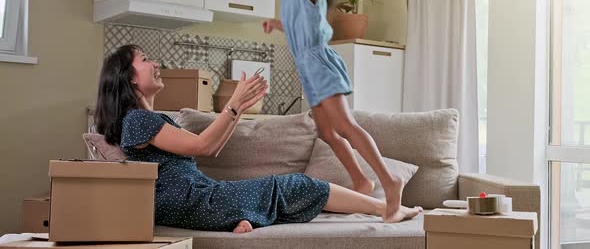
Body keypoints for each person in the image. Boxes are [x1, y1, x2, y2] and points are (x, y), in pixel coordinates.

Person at [94, 45, 421, 234]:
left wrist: (238, 109)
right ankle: (386, 208)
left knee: (286, 192)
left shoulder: (149, 119)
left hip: (196, 199)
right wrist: (234, 103)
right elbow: (201, 146)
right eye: (144, 59)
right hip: (193, 203)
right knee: (296, 184)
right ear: (128, 77)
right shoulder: (137, 119)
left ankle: (243, 218)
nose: (155, 63)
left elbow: (214, 146)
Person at [262, 0, 406, 221]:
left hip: (320, 64)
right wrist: (277, 26)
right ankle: (361, 180)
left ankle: (389, 179)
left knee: (345, 126)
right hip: (307, 68)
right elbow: (300, 24)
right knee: (326, 132)